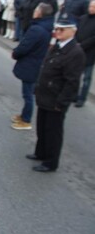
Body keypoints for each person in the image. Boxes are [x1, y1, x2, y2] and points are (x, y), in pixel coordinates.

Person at [28, 18, 85, 172]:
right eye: (57, 29)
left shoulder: (75, 52)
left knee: (53, 131)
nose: (58, 32)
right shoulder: (57, 46)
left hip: (56, 98)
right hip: (45, 93)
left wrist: (62, 102)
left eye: (62, 30)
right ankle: (40, 152)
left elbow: (72, 81)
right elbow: (46, 67)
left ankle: (50, 162)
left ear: (72, 31)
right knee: (42, 126)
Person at [11, 3, 55, 130]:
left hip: (31, 64)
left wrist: (16, 53)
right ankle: (24, 114)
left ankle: (26, 120)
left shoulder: (37, 29)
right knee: (28, 92)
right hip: (36, 62)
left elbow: (25, 45)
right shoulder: (45, 26)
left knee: (28, 94)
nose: (34, 11)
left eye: (36, 10)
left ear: (40, 13)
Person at [74, 0, 95, 107]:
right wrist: (76, 43)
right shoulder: (83, 18)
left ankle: (82, 98)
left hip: (90, 54)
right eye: (91, 6)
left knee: (86, 78)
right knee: (76, 75)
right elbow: (76, 31)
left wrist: (81, 45)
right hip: (78, 52)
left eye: (94, 7)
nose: (91, 9)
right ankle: (74, 95)